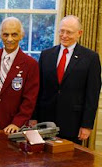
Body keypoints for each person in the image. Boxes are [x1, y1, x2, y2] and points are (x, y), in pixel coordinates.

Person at [31, 15, 101, 143]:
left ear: (79, 33)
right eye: (61, 31)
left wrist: (86, 125)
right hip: (45, 121)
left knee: (69, 161)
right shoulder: (46, 55)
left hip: (73, 123)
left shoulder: (91, 58)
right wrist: (33, 117)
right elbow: (37, 89)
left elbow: (92, 95)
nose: (64, 35)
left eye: (69, 32)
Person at [0, 17, 39, 134]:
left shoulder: (31, 64)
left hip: (13, 123)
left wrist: (17, 122)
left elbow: (30, 99)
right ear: (0, 35)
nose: (9, 39)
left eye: (14, 35)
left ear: (21, 35)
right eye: (6, 35)